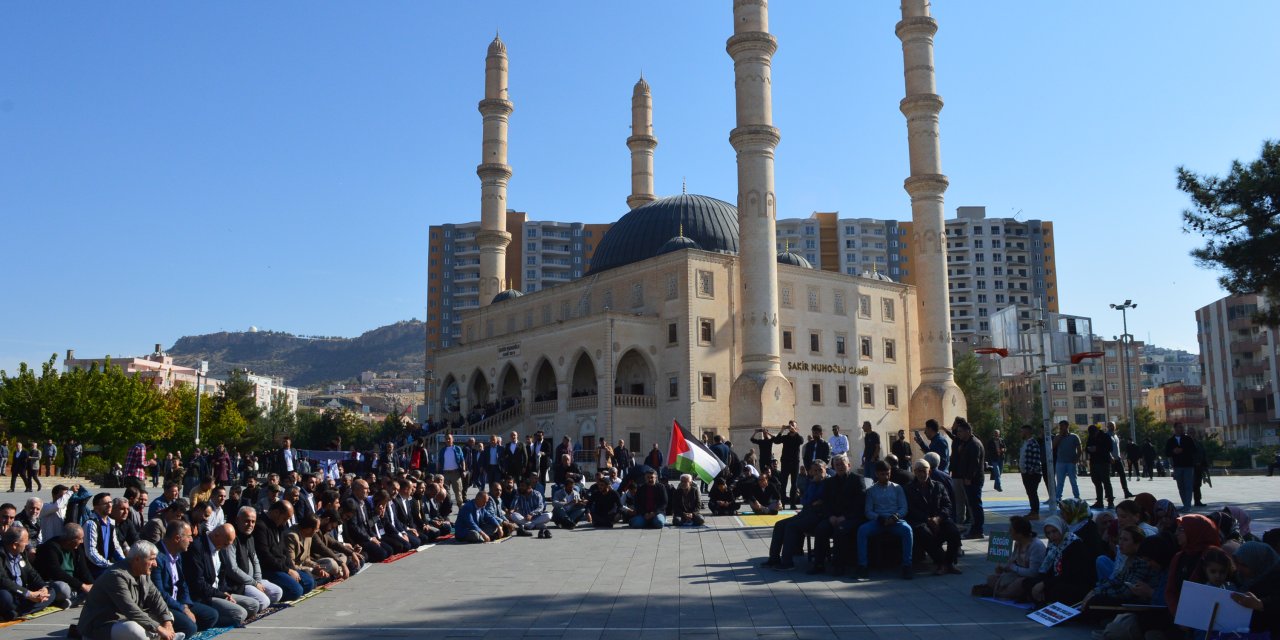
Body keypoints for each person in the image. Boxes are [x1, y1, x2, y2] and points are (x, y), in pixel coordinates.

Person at [78, 540, 181, 640]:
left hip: (125, 619)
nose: (155, 564)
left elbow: (157, 599)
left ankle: (160, 636)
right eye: (151, 559)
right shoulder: (116, 576)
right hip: (101, 625)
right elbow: (131, 610)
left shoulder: (143, 573)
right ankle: (159, 637)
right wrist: (159, 629)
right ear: (137, 559)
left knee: (167, 615)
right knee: (133, 629)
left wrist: (167, 623)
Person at [153, 520, 219, 636]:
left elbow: (183, 584)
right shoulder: (157, 557)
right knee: (190, 627)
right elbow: (159, 592)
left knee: (211, 616)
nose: (191, 540)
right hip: (164, 605)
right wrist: (182, 608)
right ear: (177, 538)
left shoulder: (177, 554)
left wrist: (185, 604)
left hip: (178, 602)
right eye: (189, 537)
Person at [185, 523, 257, 628]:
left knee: (253, 605)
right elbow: (198, 583)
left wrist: (225, 593)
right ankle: (208, 619)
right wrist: (221, 595)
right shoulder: (198, 548)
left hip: (219, 591)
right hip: (207, 595)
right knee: (239, 614)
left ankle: (224, 614)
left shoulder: (220, 547)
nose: (226, 547)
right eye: (225, 544)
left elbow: (221, 576)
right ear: (216, 535)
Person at [762, 461, 827, 572]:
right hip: (806, 513)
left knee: (791, 526)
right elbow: (804, 500)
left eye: (820, 470)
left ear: (825, 469)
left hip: (818, 516)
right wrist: (813, 489)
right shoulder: (811, 482)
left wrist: (814, 497)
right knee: (779, 524)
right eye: (815, 470)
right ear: (811, 471)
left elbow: (819, 499)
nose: (817, 473)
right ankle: (774, 558)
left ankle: (787, 562)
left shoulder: (827, 482)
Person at [855, 461, 912, 581]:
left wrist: (896, 516)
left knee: (907, 530)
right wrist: (879, 518)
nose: (886, 477)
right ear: (876, 474)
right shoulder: (871, 490)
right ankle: (863, 565)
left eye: (888, 474)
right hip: (878, 521)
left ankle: (907, 565)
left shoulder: (897, 488)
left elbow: (904, 507)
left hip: (895, 520)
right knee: (862, 530)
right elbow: (868, 511)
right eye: (882, 474)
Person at [905, 458, 961, 575]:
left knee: (954, 531)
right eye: (918, 471)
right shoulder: (909, 489)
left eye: (924, 471)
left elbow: (947, 505)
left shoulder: (938, 486)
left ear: (929, 472)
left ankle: (949, 563)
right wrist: (928, 519)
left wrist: (938, 518)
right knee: (924, 533)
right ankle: (941, 563)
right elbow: (911, 510)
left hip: (939, 519)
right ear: (915, 472)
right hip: (921, 521)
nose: (921, 474)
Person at [811, 454, 864, 576]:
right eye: (837, 465)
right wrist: (830, 516)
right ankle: (819, 564)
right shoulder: (830, 482)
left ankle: (839, 565)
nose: (840, 467)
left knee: (840, 531)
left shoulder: (857, 480)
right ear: (833, 467)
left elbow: (860, 504)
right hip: (833, 517)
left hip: (851, 517)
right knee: (820, 529)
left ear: (849, 465)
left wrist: (845, 517)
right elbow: (826, 502)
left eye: (842, 464)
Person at [1, 525, 67, 621]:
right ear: (15, 545)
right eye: (25, 541)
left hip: (22, 596)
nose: (27, 544)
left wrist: (43, 588)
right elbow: (3, 581)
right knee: (4, 597)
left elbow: (32, 573)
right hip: (11, 593)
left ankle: (17, 612)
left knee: (51, 591)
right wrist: (29, 594)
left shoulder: (21, 553)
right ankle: (18, 611)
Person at [1029, 515, 1096, 606]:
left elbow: (1068, 574)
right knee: (1029, 583)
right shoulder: (1053, 546)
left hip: (1075, 582)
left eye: (1054, 531)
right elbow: (1047, 570)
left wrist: (1044, 584)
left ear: (1061, 529)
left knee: (1057, 590)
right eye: (1048, 533)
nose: (1051, 536)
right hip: (1057, 580)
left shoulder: (1074, 544)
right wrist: (1041, 583)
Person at [973, 515, 1044, 600]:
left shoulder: (1036, 546)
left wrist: (1013, 568)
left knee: (1018, 584)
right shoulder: (1018, 543)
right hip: (1017, 575)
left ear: (1019, 533)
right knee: (991, 578)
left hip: (1029, 579)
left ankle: (998, 593)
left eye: (1011, 530)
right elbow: (1012, 562)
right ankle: (1001, 591)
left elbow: (1033, 573)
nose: (1009, 532)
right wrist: (1004, 569)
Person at [229, 506, 284, 612]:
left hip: (253, 580)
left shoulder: (250, 537)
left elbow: (255, 560)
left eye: (253, 522)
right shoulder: (232, 538)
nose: (250, 525)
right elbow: (233, 569)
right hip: (240, 583)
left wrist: (258, 581)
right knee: (264, 601)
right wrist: (254, 584)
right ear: (237, 520)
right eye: (247, 521)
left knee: (277, 592)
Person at [33, 522, 95, 607]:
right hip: (54, 582)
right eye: (80, 539)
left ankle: (71, 600)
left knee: (96, 587)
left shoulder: (77, 549)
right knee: (63, 588)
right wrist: (82, 586)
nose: (82, 541)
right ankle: (73, 599)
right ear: (71, 540)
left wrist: (93, 586)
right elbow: (57, 573)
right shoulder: (50, 548)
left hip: (73, 583)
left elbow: (84, 570)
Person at [1230, 541, 1280, 637]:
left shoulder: (1276, 578)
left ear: (1259, 563)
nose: (1239, 568)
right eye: (1237, 563)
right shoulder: (1238, 576)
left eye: (1244, 565)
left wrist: (1260, 604)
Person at [950, 418, 985, 538]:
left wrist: (969, 477)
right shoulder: (968, 443)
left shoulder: (974, 444)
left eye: (960, 431)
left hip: (973, 480)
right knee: (972, 504)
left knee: (975, 505)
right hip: (968, 479)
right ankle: (975, 529)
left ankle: (977, 530)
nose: (958, 433)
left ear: (968, 431)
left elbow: (974, 463)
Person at [1164, 423, 1197, 511]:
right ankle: (1185, 504)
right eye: (1179, 427)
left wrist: (1183, 450)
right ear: (1175, 428)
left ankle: (1188, 506)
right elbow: (1167, 452)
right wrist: (1173, 451)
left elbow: (1193, 450)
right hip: (1177, 466)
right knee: (1181, 486)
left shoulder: (1188, 438)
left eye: (1182, 427)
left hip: (1188, 466)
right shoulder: (1170, 440)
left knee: (1188, 486)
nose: (1181, 428)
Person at [1017, 424, 1045, 520]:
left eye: (1022, 431)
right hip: (1026, 473)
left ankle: (1035, 512)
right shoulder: (1026, 443)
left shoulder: (1033, 443)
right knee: (1030, 492)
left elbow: (1035, 459)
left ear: (1027, 432)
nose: (1020, 433)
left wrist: (1030, 471)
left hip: (1032, 473)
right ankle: (1033, 511)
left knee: (1032, 492)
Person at [773, 423, 804, 509]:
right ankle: (782, 504)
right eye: (790, 426)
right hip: (785, 463)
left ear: (796, 427)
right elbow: (776, 441)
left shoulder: (798, 437)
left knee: (794, 484)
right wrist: (782, 430)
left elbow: (801, 441)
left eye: (793, 426)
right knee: (783, 484)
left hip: (795, 463)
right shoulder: (785, 437)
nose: (791, 427)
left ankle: (792, 504)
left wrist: (795, 432)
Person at [1085, 424, 1116, 509]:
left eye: (1094, 433)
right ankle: (1099, 501)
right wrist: (1089, 449)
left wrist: (1097, 448)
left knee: (1106, 482)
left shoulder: (1105, 436)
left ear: (1097, 431)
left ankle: (1110, 502)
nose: (1093, 435)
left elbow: (1110, 448)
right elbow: (1086, 448)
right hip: (1094, 462)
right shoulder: (1091, 437)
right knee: (1096, 482)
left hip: (1104, 462)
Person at [1052, 421, 1081, 506]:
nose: (1061, 428)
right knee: (1060, 482)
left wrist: (1076, 459)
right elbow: (1053, 446)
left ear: (1067, 426)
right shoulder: (1057, 437)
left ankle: (1077, 497)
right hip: (1060, 462)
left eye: (1062, 426)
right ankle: (1057, 497)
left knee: (1073, 481)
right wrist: (1060, 436)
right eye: (1059, 426)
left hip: (1071, 463)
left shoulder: (1074, 436)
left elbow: (1079, 449)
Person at [1106, 422, 1134, 499]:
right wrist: (1110, 457)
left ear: (1115, 426)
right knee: (1107, 478)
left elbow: (1117, 448)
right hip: (1109, 460)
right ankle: (1108, 493)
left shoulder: (1115, 436)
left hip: (1118, 459)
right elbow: (1105, 448)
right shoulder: (1106, 435)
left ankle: (1126, 492)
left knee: (1123, 475)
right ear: (1107, 426)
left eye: (1113, 425)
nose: (1111, 427)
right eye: (1110, 425)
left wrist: (1119, 456)